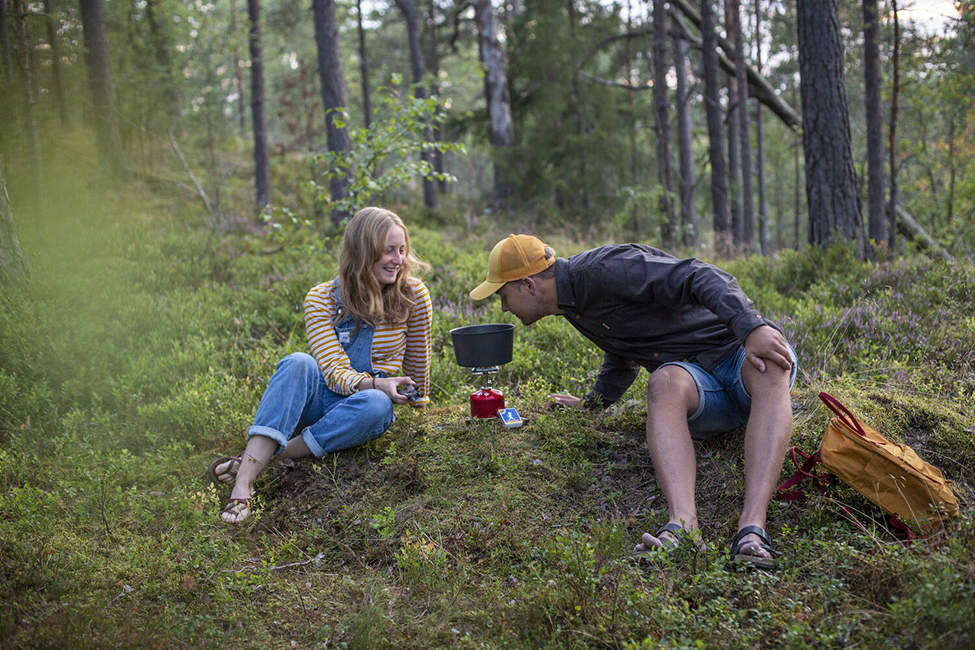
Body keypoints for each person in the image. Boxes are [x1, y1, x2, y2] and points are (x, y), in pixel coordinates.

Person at [469, 234, 797, 569]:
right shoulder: (572, 305)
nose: (504, 307)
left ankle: (752, 531)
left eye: (503, 295)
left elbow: (697, 274)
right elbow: (622, 352)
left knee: (771, 363)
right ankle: (683, 528)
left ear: (527, 284)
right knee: (662, 381)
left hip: (738, 356)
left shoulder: (606, 268)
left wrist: (751, 328)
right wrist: (591, 405)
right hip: (698, 385)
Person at [209, 207, 432, 524]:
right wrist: (376, 382)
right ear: (363, 251)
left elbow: (416, 366)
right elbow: (333, 371)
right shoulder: (322, 298)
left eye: (402, 250)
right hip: (321, 399)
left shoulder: (413, 295)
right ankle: (242, 486)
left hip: (362, 409)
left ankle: (258, 459)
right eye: (388, 251)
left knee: (378, 405)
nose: (398, 259)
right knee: (298, 362)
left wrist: (417, 406)